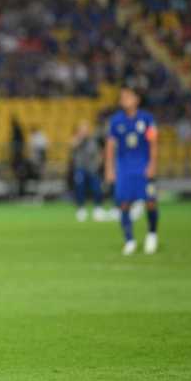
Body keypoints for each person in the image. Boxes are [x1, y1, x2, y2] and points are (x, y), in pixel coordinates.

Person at [105, 86, 160, 255]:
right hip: (124, 169)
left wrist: (152, 164)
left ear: (137, 99)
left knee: (150, 201)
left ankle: (151, 234)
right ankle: (129, 240)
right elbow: (110, 146)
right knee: (124, 204)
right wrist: (109, 168)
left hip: (143, 167)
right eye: (122, 96)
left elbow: (153, 143)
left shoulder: (147, 119)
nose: (124, 99)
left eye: (128, 96)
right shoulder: (116, 121)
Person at [71, 120, 105, 222]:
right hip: (80, 168)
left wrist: (98, 163)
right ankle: (81, 209)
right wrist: (80, 139)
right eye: (82, 130)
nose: (84, 132)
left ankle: (97, 208)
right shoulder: (76, 140)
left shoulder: (93, 141)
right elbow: (72, 146)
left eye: (85, 129)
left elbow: (99, 153)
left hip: (92, 168)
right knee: (80, 188)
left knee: (96, 188)